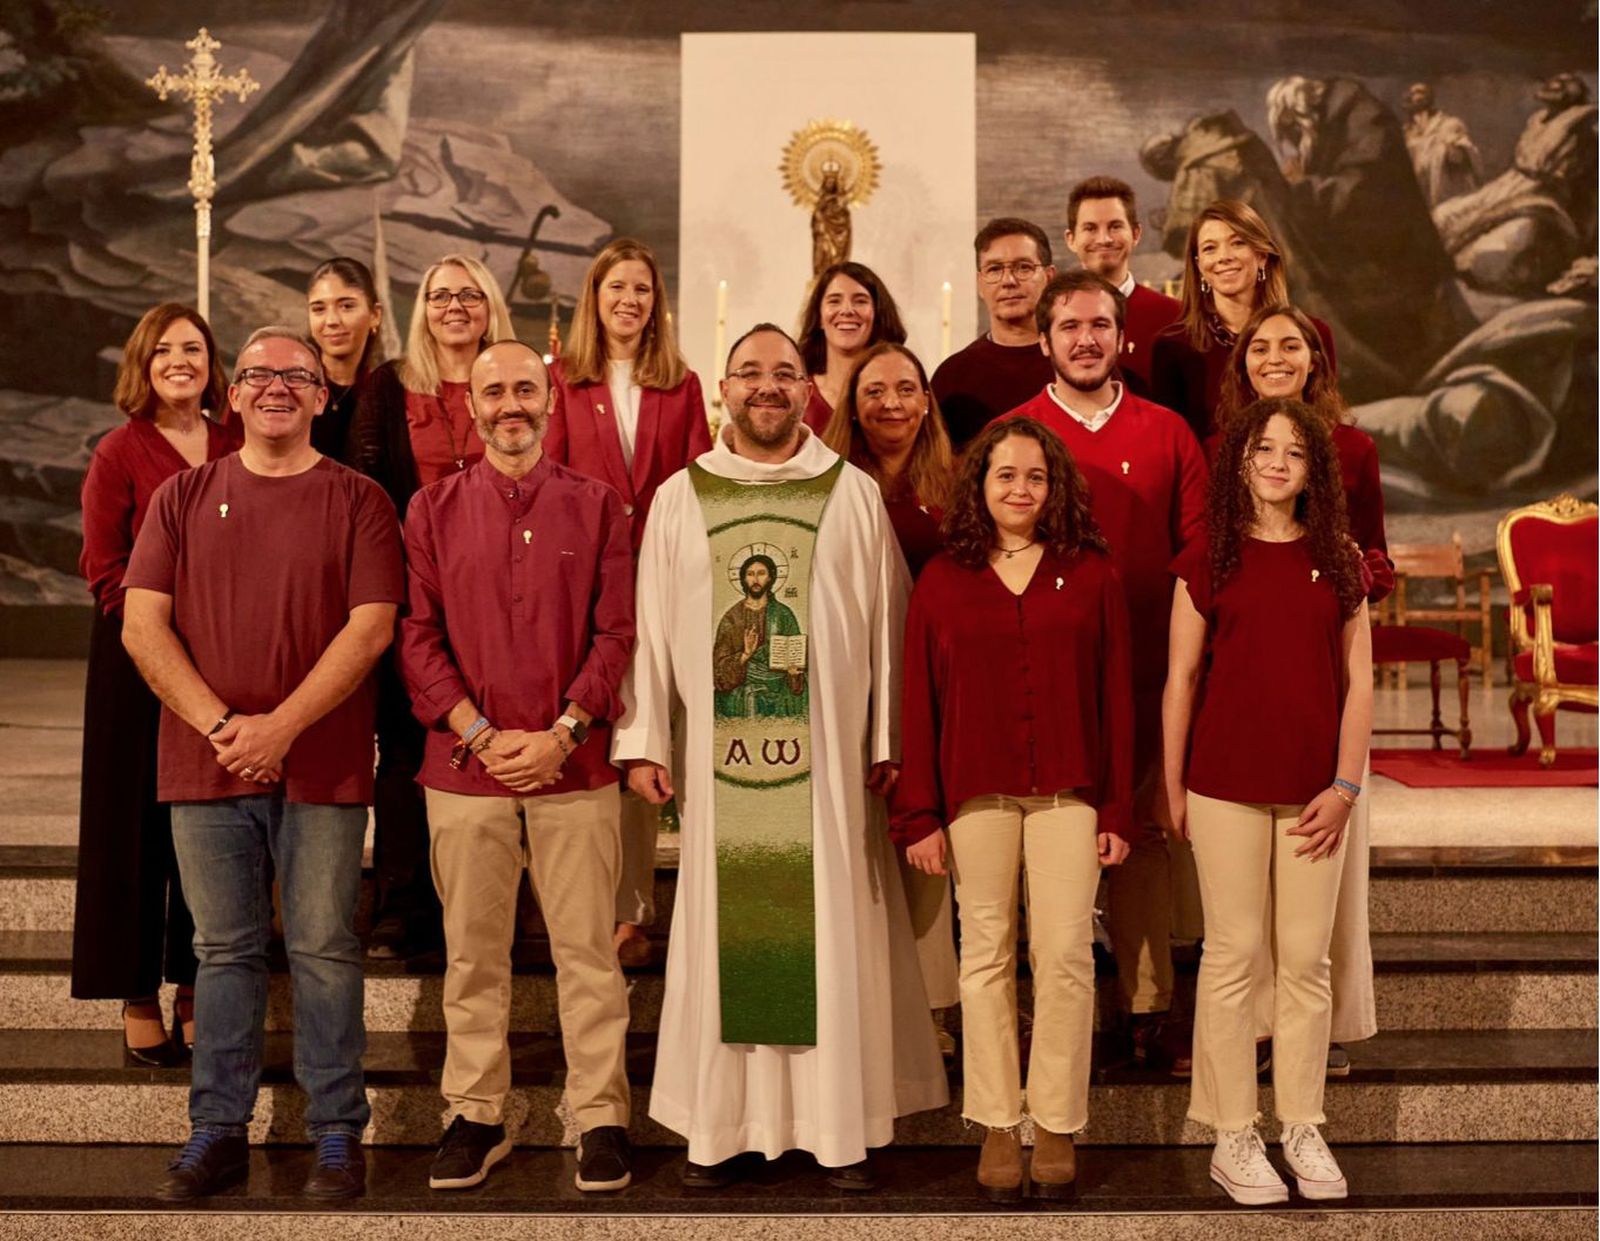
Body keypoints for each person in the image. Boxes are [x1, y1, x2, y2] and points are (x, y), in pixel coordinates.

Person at [613, 323, 948, 1189]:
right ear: (723, 388)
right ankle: (724, 1127)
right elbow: (652, 625)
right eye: (750, 372)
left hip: (829, 764)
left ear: (808, 391)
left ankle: (837, 1129)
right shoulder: (682, 496)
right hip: (722, 767)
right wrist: (645, 738)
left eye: (785, 373)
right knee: (727, 933)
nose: (767, 386)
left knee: (830, 928)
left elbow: (888, 625)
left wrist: (889, 738)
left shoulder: (852, 493)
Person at [121, 326, 405, 1202]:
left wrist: (280, 726)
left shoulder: (360, 500)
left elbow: (371, 627)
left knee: (324, 947)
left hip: (323, 765)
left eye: (297, 376)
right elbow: (141, 624)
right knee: (222, 951)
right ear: (233, 394)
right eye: (258, 374)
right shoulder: (181, 495)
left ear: (323, 396)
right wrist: (224, 725)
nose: (277, 386)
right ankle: (217, 1130)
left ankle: (336, 1132)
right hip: (204, 762)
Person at [398, 340, 636, 1194]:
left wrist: (563, 732)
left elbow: (617, 632)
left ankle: (600, 1116)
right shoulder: (430, 510)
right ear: (470, 404)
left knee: (589, 954)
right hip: (466, 769)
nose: (510, 404)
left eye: (525, 389)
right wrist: (478, 731)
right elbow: (416, 635)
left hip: (574, 768)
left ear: (549, 398)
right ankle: (476, 1113)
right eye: (493, 390)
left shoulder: (599, 506)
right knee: (472, 955)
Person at [894, 415, 1133, 1200]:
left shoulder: (1091, 574)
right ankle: (999, 1119)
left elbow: (1116, 698)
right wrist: (919, 813)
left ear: (1055, 486)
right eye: (1006, 475)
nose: (1021, 489)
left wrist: (1116, 809)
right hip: (976, 795)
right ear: (980, 485)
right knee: (985, 954)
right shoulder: (943, 579)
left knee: (1064, 953)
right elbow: (919, 702)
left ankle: (1056, 1118)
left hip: (1070, 793)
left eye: (1035, 475)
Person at [1162, 396, 1371, 1206]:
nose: (1278, 462)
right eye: (1263, 449)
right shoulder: (1207, 556)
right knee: (1233, 953)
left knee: (1307, 960)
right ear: (1240, 463)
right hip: (1224, 784)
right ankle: (1233, 1132)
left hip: (1316, 790)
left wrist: (1346, 785)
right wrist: (1173, 785)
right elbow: (1181, 680)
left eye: (1295, 451)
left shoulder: (1340, 558)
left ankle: (1303, 1123)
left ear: (1314, 469)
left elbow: (1359, 681)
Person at [1003, 271, 1209, 1075]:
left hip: (1150, 672)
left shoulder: (1167, 432)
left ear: (1123, 337)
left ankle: (1147, 1007)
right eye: (1068, 326)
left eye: (1098, 325)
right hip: (1044, 681)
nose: (1084, 339)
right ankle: (1053, 1012)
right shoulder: (1015, 433)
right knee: (1045, 839)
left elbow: (1198, 551)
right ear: (1044, 339)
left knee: (1144, 836)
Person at [1217, 302, 1393, 1075]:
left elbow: (1378, 554)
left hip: (1326, 668)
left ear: (1316, 361)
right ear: (1243, 363)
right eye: (1260, 347)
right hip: (1247, 682)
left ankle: (1320, 1024)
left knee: (1325, 879)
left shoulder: (1352, 448)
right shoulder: (1226, 449)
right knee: (1243, 891)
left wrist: (1347, 568)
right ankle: (1254, 1026)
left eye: (1292, 346)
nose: (1276, 358)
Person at [73, 303, 236, 1067]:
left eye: (193, 348)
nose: (180, 360)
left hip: (225, 657)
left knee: (206, 824)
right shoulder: (120, 450)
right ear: (143, 362)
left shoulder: (236, 442)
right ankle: (136, 992)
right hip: (136, 657)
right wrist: (157, 632)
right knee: (130, 825)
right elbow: (103, 565)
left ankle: (196, 986)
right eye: (164, 349)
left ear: (211, 362)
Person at [545, 238, 711, 967]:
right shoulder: (561, 380)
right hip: (586, 584)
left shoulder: (683, 384)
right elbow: (550, 480)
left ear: (656, 302)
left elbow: (700, 479)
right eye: (617, 287)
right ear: (595, 297)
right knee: (592, 747)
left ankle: (633, 910)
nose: (629, 300)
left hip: (663, 585)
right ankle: (584, 905)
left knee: (648, 745)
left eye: (642, 288)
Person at [347, 253, 515, 961]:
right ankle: (401, 903)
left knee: (495, 736)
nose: (455, 307)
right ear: (422, 308)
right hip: (413, 591)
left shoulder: (509, 380)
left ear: (489, 305)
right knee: (405, 745)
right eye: (441, 295)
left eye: (469, 295)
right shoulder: (390, 387)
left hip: (501, 596)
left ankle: (489, 904)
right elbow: (366, 491)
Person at [822, 341, 959, 1053]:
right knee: (854, 843)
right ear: (852, 406)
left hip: (935, 684)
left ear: (926, 401)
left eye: (906, 388)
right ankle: (861, 999)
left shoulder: (957, 483)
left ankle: (933, 1006)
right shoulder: (826, 483)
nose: (891, 403)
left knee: (926, 841)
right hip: (848, 684)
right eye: (874, 390)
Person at [1149, 199, 1336, 442]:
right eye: (1210, 248)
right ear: (1199, 266)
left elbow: (1327, 424)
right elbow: (1169, 444)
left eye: (1237, 243)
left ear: (1261, 255)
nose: (1224, 257)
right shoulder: (1173, 347)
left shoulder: (1313, 334)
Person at [930, 218, 1056, 450]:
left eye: (1023, 267)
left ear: (1049, 277)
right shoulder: (952, 377)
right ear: (980, 283)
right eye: (994, 269)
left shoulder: (1076, 364)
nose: (1008, 281)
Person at [1063, 176, 1181, 391]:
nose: (1104, 239)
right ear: (1071, 239)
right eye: (1090, 228)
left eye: (1115, 226)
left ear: (1136, 234)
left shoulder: (1174, 316)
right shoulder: (1055, 316)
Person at [795, 260, 908, 434]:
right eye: (834, 301)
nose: (847, 310)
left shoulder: (895, 399)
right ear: (819, 318)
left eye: (860, 301)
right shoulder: (798, 395)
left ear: (877, 315)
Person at [305, 256, 384, 458]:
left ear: (375, 315)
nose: (331, 320)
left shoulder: (386, 397)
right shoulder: (290, 387)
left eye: (347, 306)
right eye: (319, 309)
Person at [1402, 83, 1482, 208]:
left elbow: (1466, 156)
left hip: (1445, 194)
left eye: (1420, 92)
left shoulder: (1449, 124)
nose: (1416, 97)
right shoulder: (1406, 132)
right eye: (1412, 94)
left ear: (1429, 98)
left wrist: (1449, 151)